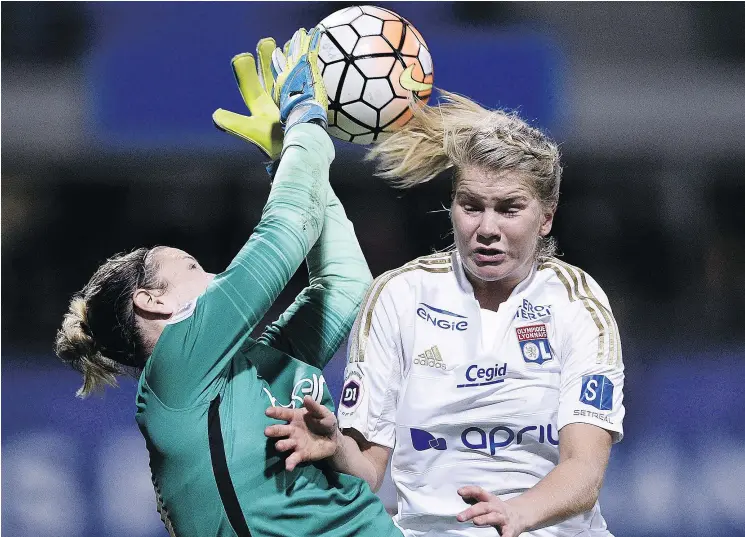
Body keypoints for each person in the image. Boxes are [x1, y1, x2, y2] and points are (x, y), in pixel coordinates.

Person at [55, 29, 404, 537]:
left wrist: (293, 159)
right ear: (151, 302)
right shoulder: (176, 366)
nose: (219, 278)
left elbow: (347, 283)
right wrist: (305, 121)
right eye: (194, 269)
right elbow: (286, 232)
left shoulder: (254, 366)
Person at [265, 92, 626, 537]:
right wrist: (337, 446)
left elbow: (584, 472)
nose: (487, 229)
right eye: (471, 206)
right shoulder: (399, 296)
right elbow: (368, 471)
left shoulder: (578, 303)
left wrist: (516, 514)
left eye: (509, 209)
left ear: (546, 217)